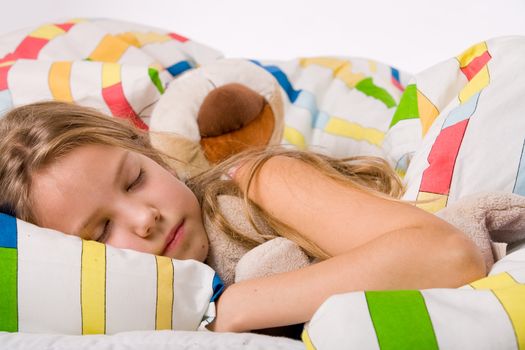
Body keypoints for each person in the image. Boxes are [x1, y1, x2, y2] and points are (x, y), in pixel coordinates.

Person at [0, 101, 485, 333]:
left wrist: (227, 308)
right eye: (101, 231)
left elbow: (446, 255)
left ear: (144, 149)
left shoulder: (257, 183)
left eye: (134, 180)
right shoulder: (127, 317)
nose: (145, 218)